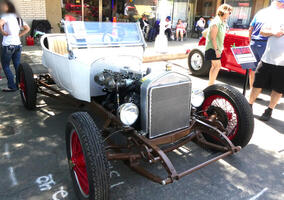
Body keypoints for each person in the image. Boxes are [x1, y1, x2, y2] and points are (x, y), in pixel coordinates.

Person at [249, 0, 284, 121]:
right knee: (257, 84)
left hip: (283, 63)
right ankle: (249, 105)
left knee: (278, 89)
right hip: (267, 58)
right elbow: (262, 31)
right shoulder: (277, 16)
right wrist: (273, 32)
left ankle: (269, 110)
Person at [0, 0, 30, 92]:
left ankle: (12, 86)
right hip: (18, 45)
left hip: (8, 45)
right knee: (17, 65)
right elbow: (27, 28)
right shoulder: (18, 17)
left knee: (5, 66)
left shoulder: (5, 16)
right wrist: (19, 35)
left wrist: (3, 32)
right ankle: (18, 85)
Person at [205, 4, 232, 86]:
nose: (230, 14)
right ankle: (211, 85)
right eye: (229, 12)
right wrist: (216, 50)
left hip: (216, 48)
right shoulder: (216, 22)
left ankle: (210, 84)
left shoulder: (222, 22)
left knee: (214, 66)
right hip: (213, 48)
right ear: (224, 12)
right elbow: (213, 38)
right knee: (217, 66)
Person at [248, 6, 271, 90]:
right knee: (263, 69)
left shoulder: (259, 13)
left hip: (253, 42)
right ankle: (256, 91)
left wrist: (251, 41)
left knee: (253, 68)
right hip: (264, 43)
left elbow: (250, 29)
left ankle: (251, 89)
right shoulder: (275, 15)